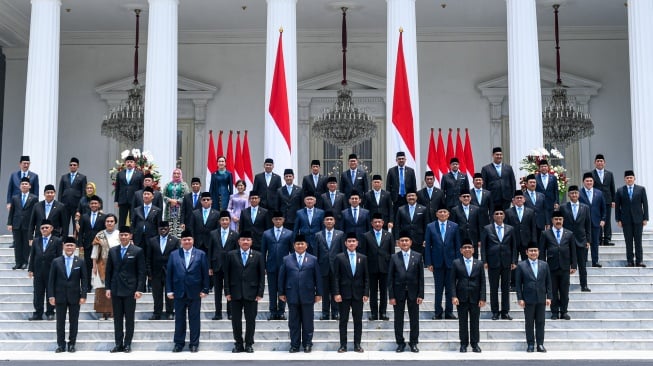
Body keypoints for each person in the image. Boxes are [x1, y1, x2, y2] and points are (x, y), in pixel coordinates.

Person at [278, 234, 323, 353]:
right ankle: (295, 345)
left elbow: (317, 277)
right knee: (293, 322)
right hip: (291, 294)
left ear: (306, 245)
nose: (300, 246)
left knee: (308, 321)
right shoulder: (287, 259)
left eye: (302, 243)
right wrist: (281, 292)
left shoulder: (313, 259)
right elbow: (282, 277)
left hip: (308, 294)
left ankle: (308, 344)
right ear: (294, 246)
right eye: (297, 244)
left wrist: (319, 293)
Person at [167, 230, 210, 353]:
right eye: (184, 239)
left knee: (194, 319)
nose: (187, 241)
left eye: (189, 239)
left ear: (193, 240)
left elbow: (205, 273)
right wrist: (169, 290)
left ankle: (194, 343)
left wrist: (205, 289)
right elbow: (169, 273)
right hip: (179, 292)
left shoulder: (200, 254)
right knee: (179, 319)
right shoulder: (174, 254)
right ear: (181, 241)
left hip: (195, 292)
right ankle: (179, 343)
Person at [104, 226, 146, 353]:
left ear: (130, 236)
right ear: (119, 236)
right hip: (116, 288)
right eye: (121, 235)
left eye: (126, 235)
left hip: (130, 290)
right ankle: (118, 344)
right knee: (117, 319)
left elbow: (141, 272)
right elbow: (108, 272)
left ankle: (127, 344)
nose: (123, 237)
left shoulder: (137, 251)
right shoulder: (113, 251)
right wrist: (107, 288)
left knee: (129, 318)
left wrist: (139, 289)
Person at [224, 231, 266, 353]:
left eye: (248, 240)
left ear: (251, 242)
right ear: (239, 242)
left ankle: (249, 343)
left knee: (251, 320)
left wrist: (260, 292)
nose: (245, 242)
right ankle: (238, 343)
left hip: (252, 293)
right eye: (243, 239)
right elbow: (226, 274)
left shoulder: (258, 256)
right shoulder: (231, 255)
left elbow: (261, 276)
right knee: (235, 320)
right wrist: (227, 291)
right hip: (235, 292)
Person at [48, 237, 88, 353]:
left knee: (73, 322)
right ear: (63, 246)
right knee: (60, 322)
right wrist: (51, 296)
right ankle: (61, 344)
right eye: (67, 245)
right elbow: (51, 280)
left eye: (71, 245)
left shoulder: (80, 261)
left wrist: (83, 295)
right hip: (59, 296)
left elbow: (84, 280)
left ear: (75, 247)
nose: (69, 247)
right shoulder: (56, 261)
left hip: (75, 297)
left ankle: (72, 344)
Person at [387, 230, 424, 353]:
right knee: (398, 319)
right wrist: (391, 296)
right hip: (398, 293)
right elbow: (390, 277)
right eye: (402, 241)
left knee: (414, 319)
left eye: (406, 240)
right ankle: (400, 343)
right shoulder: (394, 257)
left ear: (411, 242)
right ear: (398, 243)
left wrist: (421, 294)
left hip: (414, 292)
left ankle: (413, 342)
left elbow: (421, 277)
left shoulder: (418, 256)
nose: (404, 242)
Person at [333, 232, 369, 353]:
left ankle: (357, 345)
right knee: (343, 320)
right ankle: (343, 345)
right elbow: (336, 277)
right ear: (345, 243)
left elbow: (366, 278)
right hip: (344, 294)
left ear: (357, 243)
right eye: (349, 241)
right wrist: (336, 293)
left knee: (357, 321)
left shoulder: (363, 258)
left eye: (354, 241)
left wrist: (366, 293)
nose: (352, 243)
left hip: (358, 294)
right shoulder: (339, 257)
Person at [481, 208, 517, 320]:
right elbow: (483, 246)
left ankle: (505, 312)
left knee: (506, 288)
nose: (499, 215)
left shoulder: (510, 229)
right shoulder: (487, 229)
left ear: (504, 216)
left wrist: (513, 261)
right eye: (497, 213)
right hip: (493, 262)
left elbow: (513, 246)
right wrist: (484, 261)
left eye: (501, 213)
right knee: (494, 288)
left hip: (506, 262)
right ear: (493, 216)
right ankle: (495, 312)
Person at [424, 207, 461, 320]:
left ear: (448, 214)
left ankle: (449, 312)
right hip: (437, 262)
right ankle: (438, 312)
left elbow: (457, 245)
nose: (442, 213)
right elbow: (428, 246)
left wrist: (458, 262)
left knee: (450, 289)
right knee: (438, 289)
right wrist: (428, 262)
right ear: (436, 214)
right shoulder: (430, 226)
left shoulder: (454, 226)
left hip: (451, 263)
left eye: (445, 212)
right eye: (440, 211)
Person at [515, 242, 552, 353]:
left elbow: (548, 282)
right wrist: (520, 298)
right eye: (531, 251)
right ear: (526, 252)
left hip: (541, 298)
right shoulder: (521, 265)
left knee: (541, 322)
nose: (533, 253)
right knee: (529, 322)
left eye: (535, 250)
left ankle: (540, 344)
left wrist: (549, 297)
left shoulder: (544, 265)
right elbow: (518, 284)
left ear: (538, 252)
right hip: (528, 299)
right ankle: (530, 344)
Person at [540, 211, 577, 320]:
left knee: (564, 291)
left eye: (560, 219)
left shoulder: (569, 234)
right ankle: (554, 312)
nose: (558, 221)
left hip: (565, 267)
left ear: (563, 220)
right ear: (552, 220)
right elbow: (542, 251)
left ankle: (564, 311)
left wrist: (574, 265)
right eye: (556, 219)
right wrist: (542, 266)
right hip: (551, 267)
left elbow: (573, 251)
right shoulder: (545, 233)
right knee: (553, 291)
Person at [451, 239, 486, 353]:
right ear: (461, 250)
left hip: (475, 298)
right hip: (461, 297)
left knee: (475, 322)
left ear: (473, 250)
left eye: (469, 247)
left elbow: (483, 282)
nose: (467, 249)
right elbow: (452, 281)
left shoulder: (479, 263)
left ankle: (475, 344)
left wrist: (482, 298)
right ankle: (463, 344)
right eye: (465, 247)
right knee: (463, 322)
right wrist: (454, 296)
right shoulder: (456, 263)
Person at [261, 211, 293, 320]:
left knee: (283, 289)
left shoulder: (289, 233)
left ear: (283, 220)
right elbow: (263, 251)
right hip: (271, 265)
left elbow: (292, 252)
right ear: (272, 220)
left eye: (280, 219)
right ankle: (273, 311)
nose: (278, 221)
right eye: (276, 219)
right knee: (272, 289)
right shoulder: (267, 234)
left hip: (284, 267)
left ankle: (281, 311)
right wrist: (263, 266)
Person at [28, 219, 63, 321]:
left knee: (50, 292)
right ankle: (38, 313)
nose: (44, 229)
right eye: (42, 228)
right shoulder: (36, 241)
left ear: (51, 229)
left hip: (51, 271)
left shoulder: (57, 241)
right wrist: (31, 269)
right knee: (38, 293)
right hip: (38, 271)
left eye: (46, 227)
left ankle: (50, 312)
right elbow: (33, 256)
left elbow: (59, 257)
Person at [362, 213, 394, 321]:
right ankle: (374, 313)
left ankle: (383, 312)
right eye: (375, 222)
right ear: (372, 223)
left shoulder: (388, 236)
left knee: (384, 292)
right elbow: (364, 254)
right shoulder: (366, 235)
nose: (377, 224)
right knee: (373, 292)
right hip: (372, 268)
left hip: (385, 268)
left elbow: (392, 253)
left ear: (383, 223)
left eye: (379, 222)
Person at [560, 185, 591, 293]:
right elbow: (560, 224)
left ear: (579, 194)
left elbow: (588, 224)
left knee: (582, 265)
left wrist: (588, 240)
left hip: (581, 240)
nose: (574, 195)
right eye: (572, 193)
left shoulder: (585, 207)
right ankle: (565, 285)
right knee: (565, 265)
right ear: (568, 195)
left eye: (576, 193)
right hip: (567, 240)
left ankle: (584, 285)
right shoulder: (563, 207)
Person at [208, 211, 239, 320]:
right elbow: (210, 250)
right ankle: (218, 313)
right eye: (223, 220)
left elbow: (236, 252)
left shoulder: (235, 234)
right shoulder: (213, 233)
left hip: (230, 267)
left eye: (226, 220)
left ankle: (230, 312)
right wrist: (210, 266)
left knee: (229, 290)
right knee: (217, 291)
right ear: (219, 221)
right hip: (217, 266)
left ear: (230, 221)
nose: (225, 222)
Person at [147, 221, 180, 320]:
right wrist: (148, 271)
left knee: (169, 293)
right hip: (155, 272)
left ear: (168, 229)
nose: (163, 230)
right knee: (157, 294)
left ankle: (170, 312)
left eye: (165, 228)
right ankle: (157, 313)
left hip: (170, 272)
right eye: (161, 229)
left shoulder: (174, 241)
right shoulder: (152, 241)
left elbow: (177, 257)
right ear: (158, 229)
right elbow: (148, 257)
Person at [615, 170, 649, 267]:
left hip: (638, 219)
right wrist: (618, 219)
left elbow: (645, 204)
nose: (629, 179)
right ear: (625, 179)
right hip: (626, 220)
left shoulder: (641, 189)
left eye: (631, 177)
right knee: (628, 241)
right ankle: (630, 261)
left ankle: (639, 261)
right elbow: (617, 206)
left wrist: (645, 218)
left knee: (638, 241)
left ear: (634, 178)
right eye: (627, 178)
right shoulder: (620, 190)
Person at [315, 211, 345, 320]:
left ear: (334, 221)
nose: (329, 221)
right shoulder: (318, 235)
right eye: (327, 219)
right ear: (323, 222)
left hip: (336, 267)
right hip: (323, 267)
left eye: (331, 219)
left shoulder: (340, 234)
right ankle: (325, 312)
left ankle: (336, 311)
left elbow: (342, 252)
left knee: (335, 290)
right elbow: (316, 253)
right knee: (325, 291)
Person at [91, 214, 120, 320]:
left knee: (113, 288)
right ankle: (103, 313)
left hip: (116, 265)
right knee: (101, 289)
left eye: (111, 221)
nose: (109, 223)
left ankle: (113, 312)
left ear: (115, 222)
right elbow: (95, 251)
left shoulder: (119, 235)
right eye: (107, 221)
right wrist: (94, 266)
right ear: (105, 223)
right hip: (101, 264)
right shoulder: (100, 235)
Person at [76, 195, 106, 292]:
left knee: (101, 265)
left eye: (95, 203)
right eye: (92, 203)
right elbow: (80, 232)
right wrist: (80, 244)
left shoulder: (103, 217)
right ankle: (87, 286)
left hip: (100, 245)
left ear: (99, 205)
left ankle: (101, 285)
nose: (93, 205)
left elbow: (104, 232)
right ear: (89, 205)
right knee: (88, 267)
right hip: (88, 245)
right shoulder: (84, 216)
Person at [7, 177, 37, 270]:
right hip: (16, 224)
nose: (24, 185)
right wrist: (9, 223)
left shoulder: (34, 198)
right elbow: (12, 211)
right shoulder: (15, 197)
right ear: (20, 186)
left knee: (26, 244)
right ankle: (18, 262)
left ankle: (25, 262)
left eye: (26, 184)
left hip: (28, 224)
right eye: (22, 184)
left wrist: (35, 224)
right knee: (17, 244)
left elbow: (35, 212)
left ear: (29, 186)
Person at [579, 172, 607, 268]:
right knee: (584, 243)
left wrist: (603, 219)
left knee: (595, 243)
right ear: (583, 182)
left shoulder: (599, 193)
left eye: (591, 181)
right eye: (587, 181)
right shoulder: (579, 193)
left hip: (596, 222)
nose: (589, 182)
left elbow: (603, 208)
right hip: (583, 223)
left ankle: (595, 261)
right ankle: (584, 261)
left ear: (593, 182)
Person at [394, 190, 430, 254]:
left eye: (413, 195)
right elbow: (397, 225)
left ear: (416, 197)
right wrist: (397, 239)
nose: (411, 197)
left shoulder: (423, 209)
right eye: (409, 196)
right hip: (405, 240)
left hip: (419, 240)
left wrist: (426, 239)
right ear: (406, 198)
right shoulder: (401, 209)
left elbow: (426, 225)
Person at [58, 157, 87, 235]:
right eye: (71, 165)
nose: (72, 166)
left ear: (78, 166)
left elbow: (84, 192)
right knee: (64, 224)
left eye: (74, 165)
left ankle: (76, 241)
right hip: (65, 205)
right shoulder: (64, 177)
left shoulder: (82, 177)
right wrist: (59, 204)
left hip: (76, 205)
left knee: (76, 224)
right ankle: (63, 241)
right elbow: (60, 191)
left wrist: (81, 206)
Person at [592, 154, 616, 246]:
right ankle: (598, 239)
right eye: (597, 161)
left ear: (604, 163)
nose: (599, 163)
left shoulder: (609, 174)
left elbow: (612, 187)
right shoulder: (592, 174)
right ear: (595, 163)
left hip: (607, 200)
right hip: (596, 200)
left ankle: (607, 239)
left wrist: (613, 200)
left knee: (607, 219)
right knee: (597, 219)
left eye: (601, 161)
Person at [450, 192, 483, 259]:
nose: (466, 198)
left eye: (468, 196)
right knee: (460, 259)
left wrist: (480, 239)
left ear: (470, 198)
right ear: (460, 198)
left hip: (473, 237)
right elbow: (453, 226)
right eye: (464, 196)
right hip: (460, 238)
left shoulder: (476, 209)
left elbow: (479, 224)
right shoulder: (455, 210)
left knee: (474, 258)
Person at [114, 155, 144, 227]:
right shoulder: (120, 174)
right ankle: (121, 234)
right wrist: (116, 200)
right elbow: (117, 187)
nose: (129, 163)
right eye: (128, 162)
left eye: (131, 162)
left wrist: (141, 200)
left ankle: (133, 235)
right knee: (121, 219)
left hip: (134, 199)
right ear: (125, 163)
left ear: (134, 163)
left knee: (133, 219)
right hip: (122, 200)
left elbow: (142, 188)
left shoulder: (140, 174)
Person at [162, 168, 190, 238]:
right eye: (174, 173)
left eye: (178, 173)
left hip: (180, 210)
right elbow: (163, 195)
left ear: (180, 175)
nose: (176, 175)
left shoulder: (184, 185)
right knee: (169, 228)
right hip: (169, 210)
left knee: (179, 229)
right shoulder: (168, 184)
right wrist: (170, 200)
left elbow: (187, 197)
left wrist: (177, 201)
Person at [524, 174, 548, 240]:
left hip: (540, 223)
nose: (533, 184)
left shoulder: (541, 195)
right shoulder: (522, 196)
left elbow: (545, 209)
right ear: (526, 184)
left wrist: (547, 223)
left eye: (534, 182)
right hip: (528, 224)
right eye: (531, 182)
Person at [535, 159, 559, 224]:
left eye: (545, 166)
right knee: (541, 223)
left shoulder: (553, 178)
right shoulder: (535, 178)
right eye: (542, 166)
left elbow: (556, 191)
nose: (544, 168)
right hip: (540, 204)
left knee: (551, 223)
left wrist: (556, 202)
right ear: (539, 168)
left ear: (548, 167)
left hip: (550, 204)